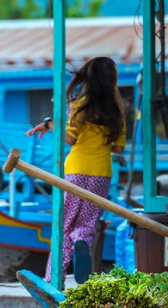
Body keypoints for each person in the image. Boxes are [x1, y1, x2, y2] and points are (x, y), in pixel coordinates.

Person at [25, 56, 126, 285]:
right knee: (85, 225)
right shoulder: (117, 112)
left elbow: (69, 139)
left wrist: (50, 125)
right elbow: (118, 147)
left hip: (76, 171)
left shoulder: (80, 106)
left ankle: (52, 280)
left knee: (64, 224)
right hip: (101, 173)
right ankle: (82, 243)